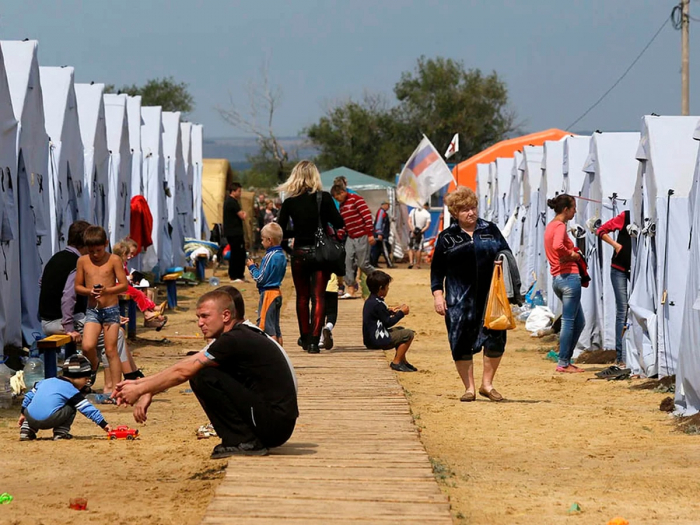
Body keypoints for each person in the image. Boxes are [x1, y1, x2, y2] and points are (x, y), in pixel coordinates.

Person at [114, 289, 299, 459]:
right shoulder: (238, 334)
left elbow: (184, 371)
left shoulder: (234, 339)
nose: (200, 323)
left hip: (275, 425)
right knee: (199, 369)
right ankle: (243, 438)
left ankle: (243, 440)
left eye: (205, 316)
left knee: (202, 374)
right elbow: (184, 365)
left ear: (226, 315)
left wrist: (140, 389)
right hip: (275, 422)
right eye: (198, 317)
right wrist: (139, 386)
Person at [39, 221, 143, 394]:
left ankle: (119, 382)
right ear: (85, 244)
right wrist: (68, 326)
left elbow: (42, 283)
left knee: (111, 339)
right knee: (113, 338)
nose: (94, 254)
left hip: (49, 317)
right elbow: (68, 297)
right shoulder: (77, 262)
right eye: (91, 248)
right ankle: (116, 378)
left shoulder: (56, 258)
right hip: (63, 320)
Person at [431, 186, 512, 402]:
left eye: (473, 208)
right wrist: (438, 296)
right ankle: (469, 388)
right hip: (459, 301)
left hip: (490, 298)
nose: (471, 212)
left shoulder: (490, 229)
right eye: (465, 209)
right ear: (455, 213)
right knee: (460, 341)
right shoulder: (447, 237)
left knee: (496, 338)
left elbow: (507, 254)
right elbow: (437, 270)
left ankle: (487, 385)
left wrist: (501, 261)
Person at [277, 160, 344, 354]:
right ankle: (315, 341)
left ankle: (305, 338)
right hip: (320, 253)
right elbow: (338, 222)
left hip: (300, 252)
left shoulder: (290, 202)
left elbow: (280, 230)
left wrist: (296, 234)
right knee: (319, 296)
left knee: (302, 297)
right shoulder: (323, 198)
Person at [75, 226, 129, 393]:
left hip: (111, 310)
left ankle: (115, 388)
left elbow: (124, 285)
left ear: (106, 244)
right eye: (91, 251)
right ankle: (93, 367)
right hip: (93, 310)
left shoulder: (114, 260)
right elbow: (77, 286)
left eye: (98, 250)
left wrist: (107, 290)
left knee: (111, 349)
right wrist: (89, 291)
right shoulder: (83, 261)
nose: (95, 255)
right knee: (87, 346)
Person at [19, 355, 112, 441]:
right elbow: (87, 408)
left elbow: (28, 397)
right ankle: (61, 433)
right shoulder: (71, 389)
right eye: (86, 379)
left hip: (29, 416)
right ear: (78, 376)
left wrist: (23, 413)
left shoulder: (45, 381)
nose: (86, 383)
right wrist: (103, 423)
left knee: (34, 403)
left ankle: (26, 430)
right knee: (72, 404)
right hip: (49, 420)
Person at [544, 194, 586, 374]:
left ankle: (566, 359)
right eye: (573, 207)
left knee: (579, 321)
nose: (575, 211)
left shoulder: (550, 226)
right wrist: (573, 255)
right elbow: (558, 245)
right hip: (569, 277)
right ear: (565, 209)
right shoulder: (560, 226)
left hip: (558, 279)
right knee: (570, 321)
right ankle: (563, 362)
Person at [597, 211, 632, 369]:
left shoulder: (651, 214)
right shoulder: (626, 216)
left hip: (635, 269)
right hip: (619, 269)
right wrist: (616, 245)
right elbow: (601, 230)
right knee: (622, 310)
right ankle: (621, 356)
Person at [363, 270, 415, 372]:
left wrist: (390, 311)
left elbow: (379, 315)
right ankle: (396, 362)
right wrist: (401, 313)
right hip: (377, 340)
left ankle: (402, 361)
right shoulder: (378, 304)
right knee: (408, 334)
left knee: (400, 329)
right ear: (381, 288)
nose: (388, 289)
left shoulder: (372, 300)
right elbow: (388, 323)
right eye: (387, 287)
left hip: (371, 339)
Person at [331, 183, 376, 298]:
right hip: (351, 237)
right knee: (347, 262)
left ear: (342, 192)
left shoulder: (357, 200)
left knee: (362, 264)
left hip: (362, 235)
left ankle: (378, 278)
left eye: (338, 197)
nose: (338, 200)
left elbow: (366, 216)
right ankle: (351, 288)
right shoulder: (341, 206)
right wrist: (339, 235)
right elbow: (345, 223)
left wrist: (370, 234)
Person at [246, 222, 287, 346]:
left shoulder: (270, 255)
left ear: (270, 240)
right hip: (277, 292)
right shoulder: (282, 255)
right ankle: (281, 354)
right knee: (275, 327)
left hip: (268, 294)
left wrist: (252, 267)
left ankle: (273, 354)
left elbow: (260, 277)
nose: (262, 242)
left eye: (263, 240)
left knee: (267, 328)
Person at [112, 240, 167, 330]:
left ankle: (154, 309)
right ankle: (147, 313)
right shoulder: (117, 264)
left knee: (144, 293)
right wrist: (129, 278)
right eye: (128, 254)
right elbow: (117, 277)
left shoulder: (121, 263)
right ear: (122, 255)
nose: (130, 257)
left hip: (121, 285)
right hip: (119, 286)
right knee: (139, 294)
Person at [223, 182, 247, 282]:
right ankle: (235, 275)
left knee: (240, 253)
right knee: (236, 254)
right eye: (239, 191)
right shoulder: (231, 202)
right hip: (234, 232)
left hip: (234, 232)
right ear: (233, 191)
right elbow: (243, 216)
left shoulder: (231, 202)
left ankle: (240, 275)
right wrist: (244, 213)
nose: (240, 193)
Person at [408, 203, 432, 269]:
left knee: (410, 247)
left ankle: (411, 262)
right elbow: (427, 225)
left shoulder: (413, 211)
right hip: (420, 232)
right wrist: (421, 231)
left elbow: (409, 221)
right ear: (426, 206)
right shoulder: (427, 214)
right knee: (418, 248)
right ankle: (418, 264)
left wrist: (412, 229)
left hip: (412, 231)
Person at [371, 201, 394, 268]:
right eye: (388, 205)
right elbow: (379, 222)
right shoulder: (381, 212)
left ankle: (374, 263)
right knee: (385, 249)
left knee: (377, 250)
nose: (389, 207)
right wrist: (379, 233)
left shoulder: (382, 212)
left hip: (379, 234)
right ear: (384, 205)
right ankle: (389, 264)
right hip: (381, 234)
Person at [319, 273, 338, 350]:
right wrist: (340, 282)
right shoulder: (333, 261)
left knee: (320, 314)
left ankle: (320, 340)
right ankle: (328, 328)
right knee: (332, 313)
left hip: (319, 287)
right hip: (332, 289)